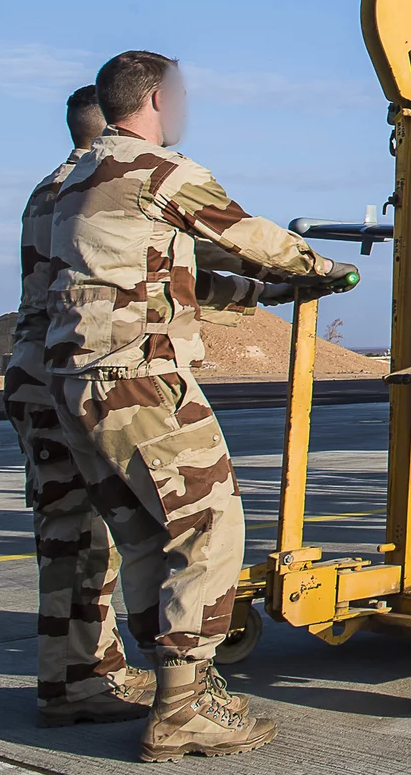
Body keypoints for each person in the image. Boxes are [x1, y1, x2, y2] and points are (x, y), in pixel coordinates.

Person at [45, 52, 354, 761]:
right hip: (139, 378)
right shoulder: (159, 170)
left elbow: (173, 271)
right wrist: (318, 268)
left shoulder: (79, 177)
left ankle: (177, 688)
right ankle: (184, 709)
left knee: (147, 537)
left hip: (78, 383)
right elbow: (241, 233)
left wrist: (265, 294)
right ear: (159, 98)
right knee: (211, 527)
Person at [3, 86, 151, 727]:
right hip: (72, 372)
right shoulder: (96, 189)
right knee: (90, 538)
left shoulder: (48, 187)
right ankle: (79, 684)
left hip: (32, 370)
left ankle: (77, 675)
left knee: (68, 532)